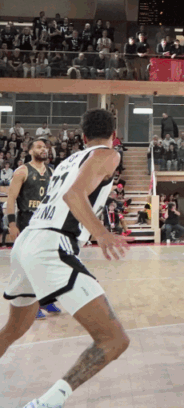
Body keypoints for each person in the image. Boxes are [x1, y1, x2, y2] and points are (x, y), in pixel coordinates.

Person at [0, 109, 131, 408]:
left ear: (82, 137)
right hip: (51, 244)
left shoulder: (68, 161)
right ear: (113, 136)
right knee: (114, 340)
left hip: (28, 241)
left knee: (14, 329)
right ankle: (46, 403)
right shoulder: (108, 155)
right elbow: (74, 196)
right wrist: (102, 233)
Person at [5, 137, 62, 318]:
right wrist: (12, 224)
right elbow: (11, 199)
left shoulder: (52, 171)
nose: (43, 149)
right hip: (27, 219)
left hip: (46, 221)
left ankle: (47, 300)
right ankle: (32, 305)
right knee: (31, 263)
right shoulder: (22, 171)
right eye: (38, 147)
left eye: (45, 147)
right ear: (30, 151)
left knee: (48, 262)